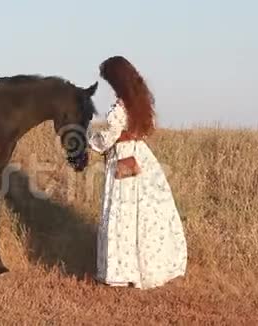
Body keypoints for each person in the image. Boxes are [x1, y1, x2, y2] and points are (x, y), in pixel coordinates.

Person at [87, 55, 187, 289]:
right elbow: (146, 129)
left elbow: (107, 139)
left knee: (123, 213)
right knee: (146, 214)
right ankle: (149, 267)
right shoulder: (141, 101)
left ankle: (124, 271)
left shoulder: (120, 107)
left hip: (123, 158)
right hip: (142, 156)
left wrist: (89, 138)